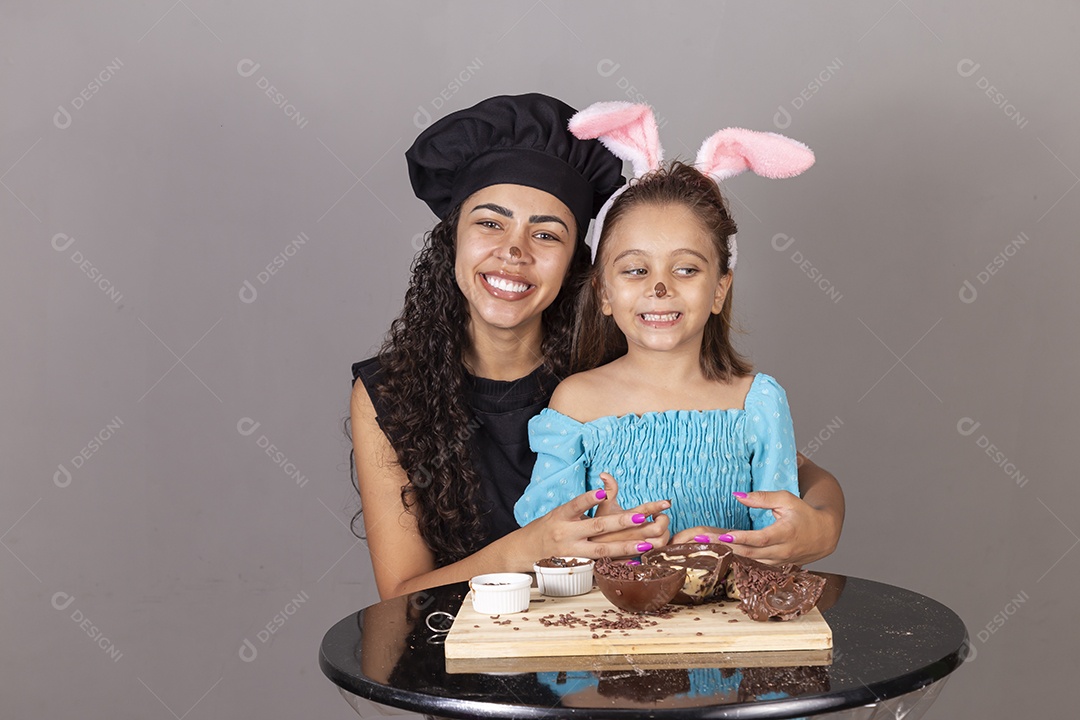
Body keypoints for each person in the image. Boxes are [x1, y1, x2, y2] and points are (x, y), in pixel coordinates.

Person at [350, 95, 844, 601]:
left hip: (613, 651)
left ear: (579, 266)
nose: (514, 252)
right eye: (490, 222)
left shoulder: (625, 359)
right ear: (452, 236)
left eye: (546, 233)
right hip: (464, 653)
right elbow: (401, 597)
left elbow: (795, 471)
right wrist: (531, 546)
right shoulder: (393, 393)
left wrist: (824, 526)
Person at [514, 103, 817, 541]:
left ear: (719, 289)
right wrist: (601, 538)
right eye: (636, 270)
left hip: (724, 612)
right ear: (602, 292)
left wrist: (721, 552)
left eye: (686, 269)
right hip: (599, 610)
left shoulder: (757, 402)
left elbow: (778, 540)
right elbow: (546, 543)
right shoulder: (577, 403)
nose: (660, 288)